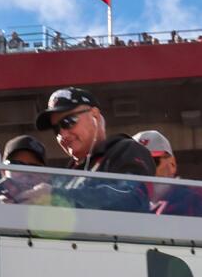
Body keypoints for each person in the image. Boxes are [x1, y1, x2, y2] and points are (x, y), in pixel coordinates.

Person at [12, 86, 154, 212]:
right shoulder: (65, 177)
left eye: (68, 122)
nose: (63, 135)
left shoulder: (126, 149)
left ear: (95, 115)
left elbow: (132, 196)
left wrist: (57, 196)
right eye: (56, 129)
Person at [135, 128, 202, 219]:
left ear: (172, 164)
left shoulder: (200, 197)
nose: (146, 170)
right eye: (136, 165)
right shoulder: (127, 204)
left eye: (153, 162)